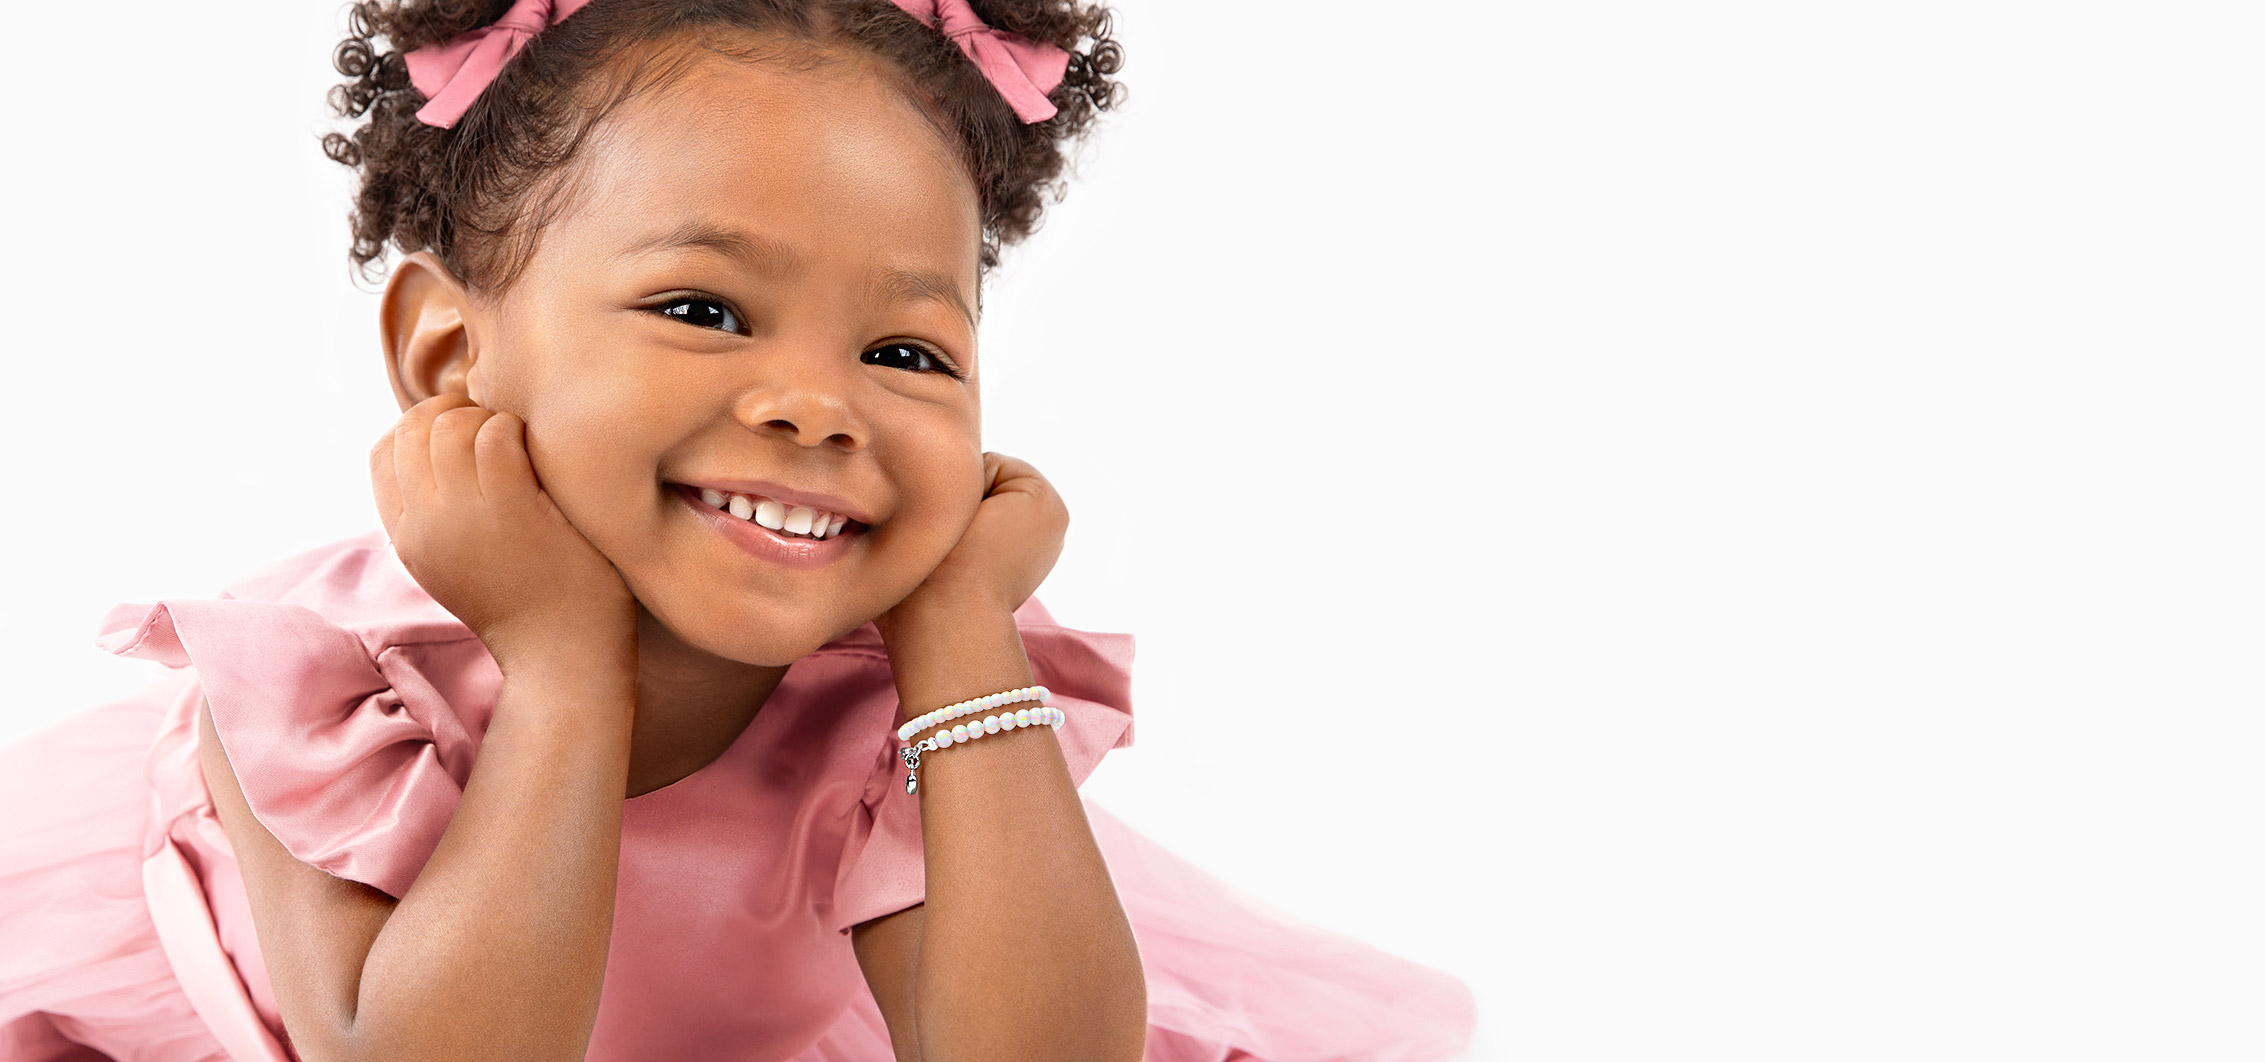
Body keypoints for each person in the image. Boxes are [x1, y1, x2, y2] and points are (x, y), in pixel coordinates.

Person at [0, 0, 1478, 1058]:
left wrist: (959, 627)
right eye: (703, 310)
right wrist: (567, 668)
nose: (817, 405)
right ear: (452, 356)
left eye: (906, 353)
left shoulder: (897, 689)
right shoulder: (332, 678)